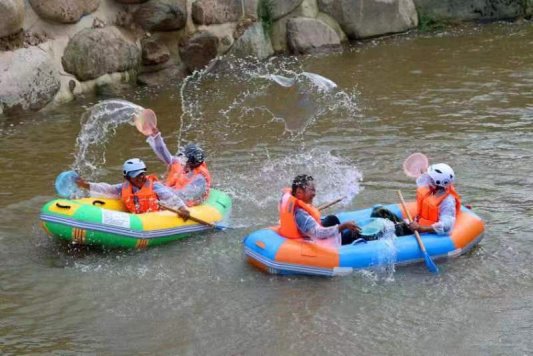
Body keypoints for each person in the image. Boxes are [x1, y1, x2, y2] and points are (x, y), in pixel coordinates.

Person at [75, 158, 190, 218]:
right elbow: (107, 189)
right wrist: (86, 185)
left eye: (142, 174)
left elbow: (172, 197)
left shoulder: (154, 186)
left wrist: (183, 209)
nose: (140, 177)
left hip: (159, 213)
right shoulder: (124, 187)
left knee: (181, 193)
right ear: (128, 177)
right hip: (140, 217)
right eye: (136, 176)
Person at [372, 163, 461, 236]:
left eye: (430, 177)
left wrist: (421, 228)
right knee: (379, 212)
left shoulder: (447, 201)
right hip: (415, 223)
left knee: (386, 230)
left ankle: (365, 236)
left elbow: (447, 226)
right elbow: (421, 181)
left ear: (437, 182)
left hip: (423, 231)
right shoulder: (431, 189)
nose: (427, 178)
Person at [277, 174, 362, 245]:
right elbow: (319, 233)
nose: (314, 194)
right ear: (299, 192)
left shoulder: (294, 207)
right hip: (316, 242)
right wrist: (344, 226)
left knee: (331, 219)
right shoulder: (300, 214)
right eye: (312, 190)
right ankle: (345, 245)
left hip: (306, 231)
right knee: (354, 234)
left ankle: (342, 236)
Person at [146, 128, 211, 207]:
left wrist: (159, 190)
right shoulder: (181, 163)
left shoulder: (200, 179)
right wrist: (156, 137)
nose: (181, 160)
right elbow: (163, 154)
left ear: (191, 163)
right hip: (171, 193)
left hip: (183, 203)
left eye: (184, 159)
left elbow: (184, 196)